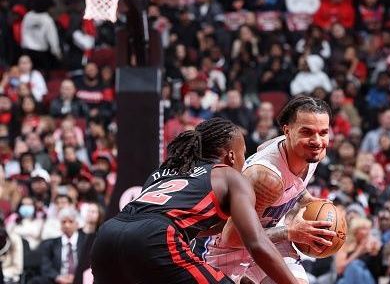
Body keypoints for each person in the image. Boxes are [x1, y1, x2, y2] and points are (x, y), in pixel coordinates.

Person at [91, 117, 298, 284]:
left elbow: (189, 222)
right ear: (232, 156)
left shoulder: (162, 172)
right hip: (155, 237)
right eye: (244, 154)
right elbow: (256, 243)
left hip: (107, 237)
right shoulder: (229, 176)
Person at [205, 97, 336, 283]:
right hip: (228, 249)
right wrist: (290, 232)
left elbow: (264, 148)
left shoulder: (310, 152)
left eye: (323, 133)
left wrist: (307, 199)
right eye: (307, 132)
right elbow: (232, 238)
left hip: (268, 235)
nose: (317, 141)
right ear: (287, 131)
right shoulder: (266, 178)